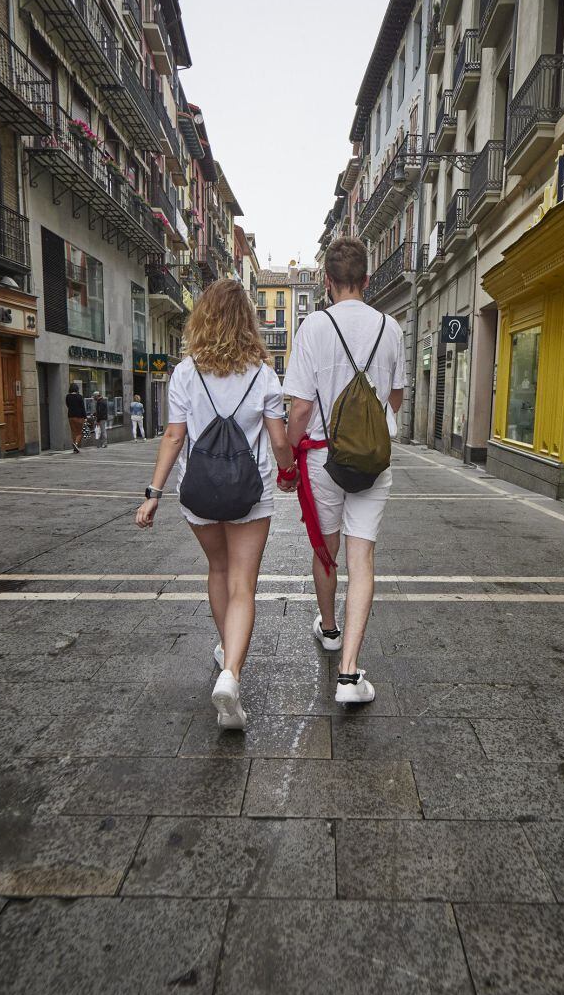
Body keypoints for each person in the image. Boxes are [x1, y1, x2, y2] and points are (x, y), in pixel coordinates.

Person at [135, 278, 299, 731]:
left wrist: (153, 494)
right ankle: (231, 673)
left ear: (203, 317)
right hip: (251, 492)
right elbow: (278, 440)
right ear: (248, 321)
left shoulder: (185, 373)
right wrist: (289, 472)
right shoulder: (264, 374)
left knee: (218, 570)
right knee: (243, 584)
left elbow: (174, 436)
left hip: (200, 491)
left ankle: (227, 650)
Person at [284, 236, 404, 705]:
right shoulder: (390, 327)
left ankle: (330, 630)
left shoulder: (313, 327)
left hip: (323, 459)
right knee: (362, 558)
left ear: (328, 282)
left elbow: (299, 409)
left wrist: (288, 458)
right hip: (373, 459)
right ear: (367, 279)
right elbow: (396, 399)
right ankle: (350, 675)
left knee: (326, 551)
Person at [65, 382, 86, 454]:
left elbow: (67, 405)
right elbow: (82, 407)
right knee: (80, 432)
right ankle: (76, 444)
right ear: (77, 389)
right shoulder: (79, 396)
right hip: (79, 416)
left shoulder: (68, 396)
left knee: (74, 432)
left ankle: (75, 449)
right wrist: (85, 417)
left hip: (71, 416)